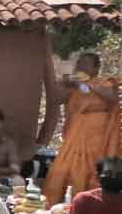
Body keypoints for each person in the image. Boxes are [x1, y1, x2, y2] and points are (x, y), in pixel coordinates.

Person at [40, 53, 120, 204]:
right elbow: (56, 99)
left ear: (96, 68)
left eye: (85, 64)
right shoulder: (74, 86)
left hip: (96, 137)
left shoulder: (104, 83)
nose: (80, 67)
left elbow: (112, 98)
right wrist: (62, 83)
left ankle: (87, 205)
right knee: (61, 169)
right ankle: (52, 203)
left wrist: (86, 84)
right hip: (74, 135)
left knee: (89, 170)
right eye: (79, 64)